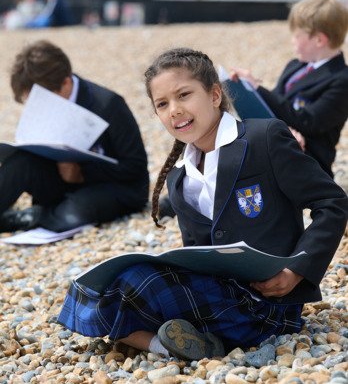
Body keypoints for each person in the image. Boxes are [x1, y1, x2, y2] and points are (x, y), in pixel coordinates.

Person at [57, 48, 347, 361]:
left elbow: (332, 203)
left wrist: (296, 270)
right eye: (163, 104)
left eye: (184, 95)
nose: (175, 110)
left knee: (134, 284)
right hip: (216, 298)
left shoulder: (265, 138)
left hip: (270, 305)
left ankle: (166, 338)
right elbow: (196, 255)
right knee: (98, 287)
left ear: (214, 95)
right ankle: (169, 344)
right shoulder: (178, 179)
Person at [0, 40, 149, 233]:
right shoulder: (45, 100)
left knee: (77, 209)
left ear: (66, 83)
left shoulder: (108, 104)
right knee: (19, 162)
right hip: (62, 182)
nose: (39, 108)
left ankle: (30, 217)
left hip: (114, 188)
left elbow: (135, 166)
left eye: (42, 101)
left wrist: (82, 172)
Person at [231, 0, 348, 178]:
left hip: (308, 159)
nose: (292, 40)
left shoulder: (341, 79)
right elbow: (274, 108)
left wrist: (258, 89)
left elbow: (309, 121)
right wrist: (248, 90)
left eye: (297, 35)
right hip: (277, 143)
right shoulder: (295, 66)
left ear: (319, 40)